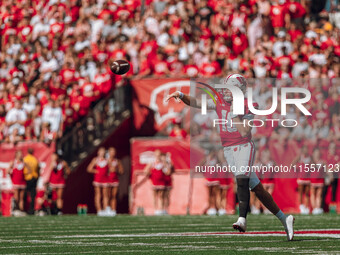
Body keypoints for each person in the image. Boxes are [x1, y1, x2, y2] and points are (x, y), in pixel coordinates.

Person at [166, 74, 294, 241]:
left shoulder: (249, 105)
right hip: (229, 149)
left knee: (241, 179)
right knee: (257, 189)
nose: (226, 92)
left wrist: (234, 114)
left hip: (244, 146)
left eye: (230, 89)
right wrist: (182, 96)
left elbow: (245, 132)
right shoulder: (221, 101)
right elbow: (198, 103)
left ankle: (242, 219)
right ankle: (285, 219)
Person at [87, 147, 111, 216]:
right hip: (98, 179)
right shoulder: (95, 160)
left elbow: (110, 168)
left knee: (105, 195)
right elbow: (89, 169)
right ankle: (99, 210)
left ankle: (105, 209)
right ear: (98, 152)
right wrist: (96, 171)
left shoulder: (107, 160)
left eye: (103, 152)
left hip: (105, 179)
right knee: (98, 194)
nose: (102, 153)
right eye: (101, 151)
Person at [143, 150, 166, 215]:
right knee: (155, 195)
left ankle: (161, 209)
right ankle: (156, 209)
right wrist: (149, 173)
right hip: (154, 181)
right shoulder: (152, 163)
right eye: (156, 155)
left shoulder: (163, 163)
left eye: (159, 155)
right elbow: (145, 170)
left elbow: (167, 170)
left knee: (161, 195)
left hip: (161, 181)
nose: (158, 156)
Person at [291, 145, 311, 214]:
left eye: (307, 149)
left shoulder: (310, 157)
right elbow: (292, 164)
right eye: (305, 149)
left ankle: (306, 206)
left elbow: (314, 165)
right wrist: (297, 169)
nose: (306, 151)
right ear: (302, 150)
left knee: (307, 193)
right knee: (301, 192)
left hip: (308, 178)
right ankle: (301, 206)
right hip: (301, 178)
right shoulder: (300, 157)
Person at [8, 150, 26, 215]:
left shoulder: (24, 162)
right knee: (17, 197)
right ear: (17, 155)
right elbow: (8, 171)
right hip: (16, 182)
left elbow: (28, 171)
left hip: (23, 182)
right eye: (20, 154)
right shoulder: (13, 162)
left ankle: (21, 210)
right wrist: (10, 168)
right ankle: (16, 209)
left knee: (22, 198)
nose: (21, 155)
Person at [107, 147, 124, 216]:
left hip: (115, 180)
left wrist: (116, 170)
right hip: (107, 180)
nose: (113, 153)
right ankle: (107, 209)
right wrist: (108, 170)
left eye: (114, 152)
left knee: (114, 195)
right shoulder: (106, 161)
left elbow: (122, 171)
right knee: (108, 195)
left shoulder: (117, 161)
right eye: (111, 152)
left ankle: (113, 210)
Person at [23, 148, 39, 215]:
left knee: (24, 195)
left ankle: (24, 209)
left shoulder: (25, 159)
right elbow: (37, 169)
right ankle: (31, 209)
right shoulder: (35, 159)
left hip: (27, 178)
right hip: (34, 177)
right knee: (32, 195)